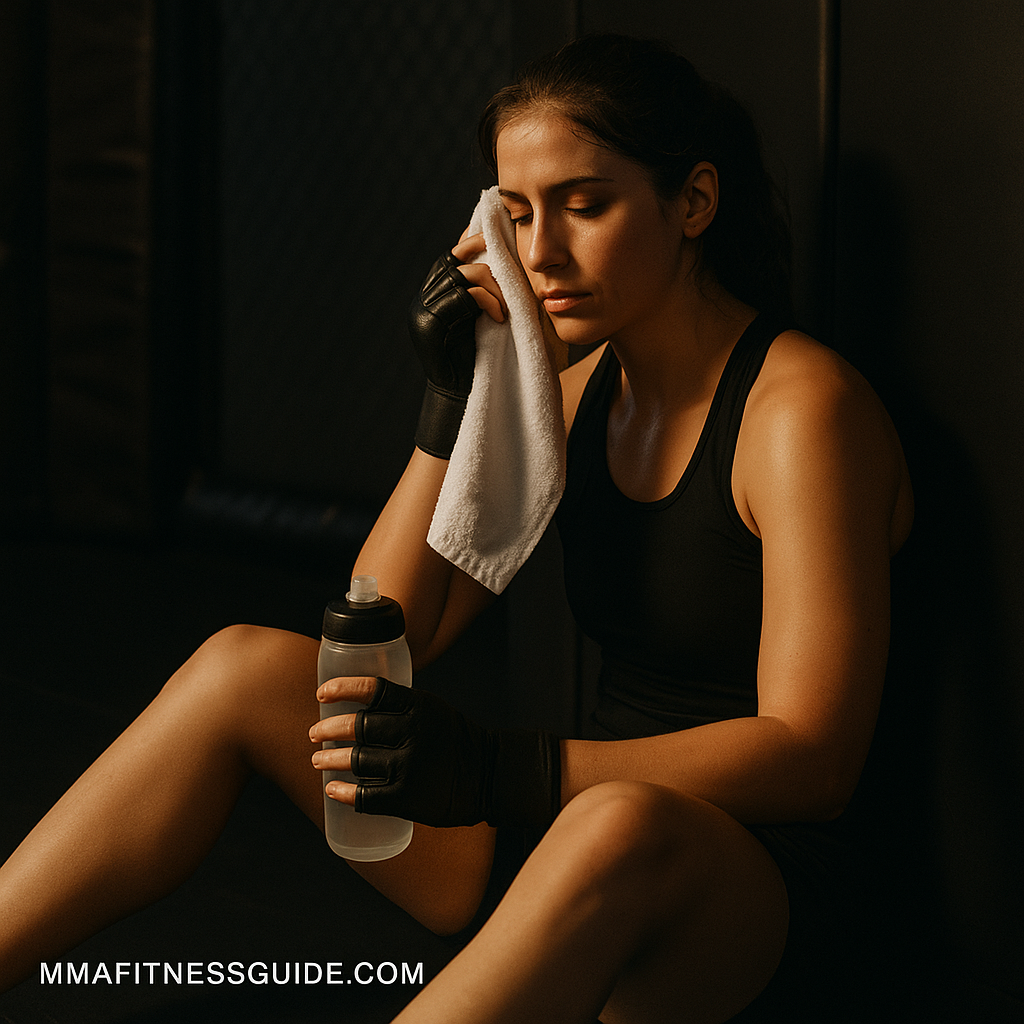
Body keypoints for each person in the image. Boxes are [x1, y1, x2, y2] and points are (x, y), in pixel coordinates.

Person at [0, 34, 913, 1023]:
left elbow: (814, 758)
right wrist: (448, 408)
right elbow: (389, 635)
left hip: (738, 881)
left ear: (691, 200)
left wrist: (503, 770)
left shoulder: (800, 413)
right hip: (555, 829)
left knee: (612, 821)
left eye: (584, 204)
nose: (542, 253)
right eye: (516, 215)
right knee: (239, 667)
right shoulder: (570, 394)